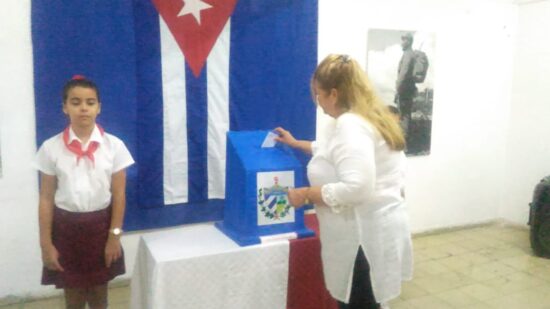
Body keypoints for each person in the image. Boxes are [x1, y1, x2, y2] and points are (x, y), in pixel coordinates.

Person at [275, 54, 412, 309]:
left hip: (362, 240)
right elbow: (331, 151)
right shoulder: (368, 117)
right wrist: (296, 144)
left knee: (359, 303)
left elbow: (357, 188)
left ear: (334, 94)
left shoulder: (351, 125)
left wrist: (306, 193)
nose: (319, 103)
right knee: (370, 302)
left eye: (319, 95)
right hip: (378, 231)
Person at [35, 75, 135, 309]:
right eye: (76, 102)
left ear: (99, 108)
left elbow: (119, 197)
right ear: (65, 107)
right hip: (66, 230)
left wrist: (115, 236)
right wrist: (45, 243)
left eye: (90, 103)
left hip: (101, 229)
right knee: (74, 295)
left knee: (100, 294)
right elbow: (46, 198)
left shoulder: (114, 146)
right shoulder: (51, 148)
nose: (83, 109)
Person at [395, 32, 417, 137]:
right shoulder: (410, 54)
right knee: (406, 115)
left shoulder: (408, 54)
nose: (402, 42)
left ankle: (404, 144)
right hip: (408, 89)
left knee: (404, 116)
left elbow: (403, 73)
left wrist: (397, 89)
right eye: (402, 39)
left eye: (404, 40)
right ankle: (406, 141)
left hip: (404, 90)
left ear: (409, 41)